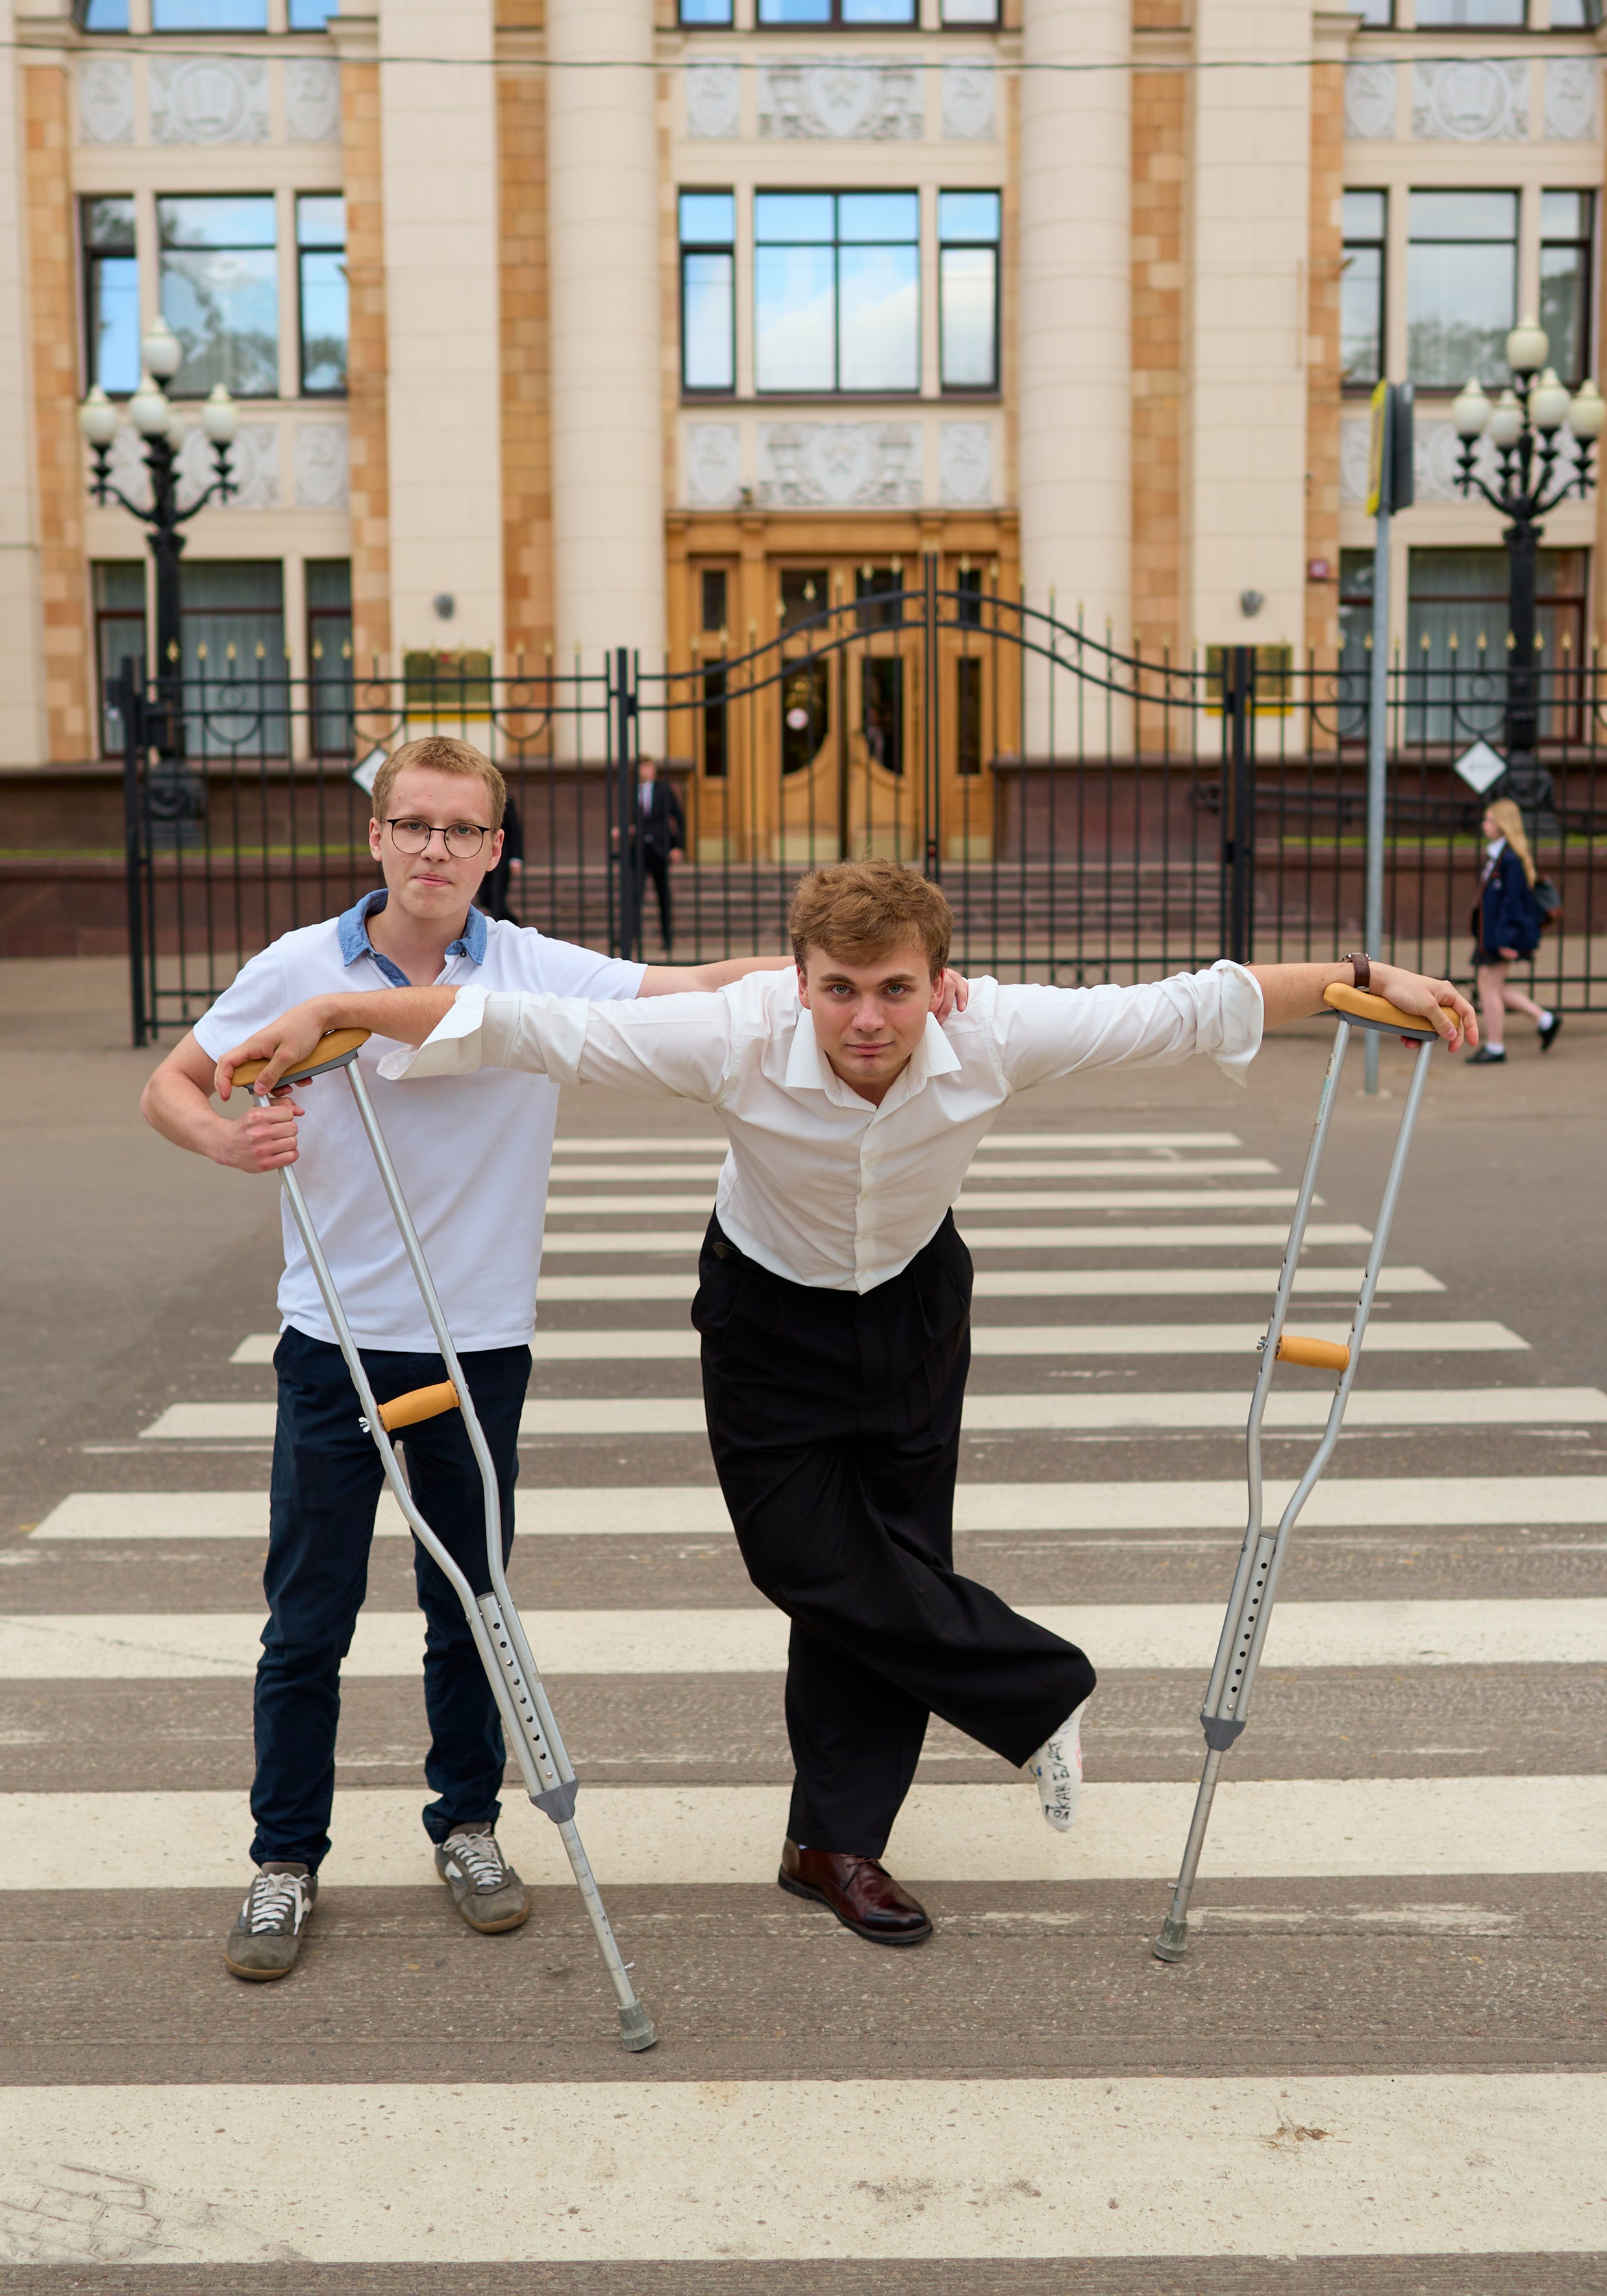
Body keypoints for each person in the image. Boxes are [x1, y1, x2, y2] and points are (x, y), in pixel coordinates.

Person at [216, 864, 1476, 1952]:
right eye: (838, 988)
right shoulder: (733, 1033)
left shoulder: (995, 1034)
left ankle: (834, 1846)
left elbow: (1192, 1006)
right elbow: (512, 1026)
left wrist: (1377, 978)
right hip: (768, 1320)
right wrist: (338, 1005)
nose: (865, 1020)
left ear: (939, 983)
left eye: (892, 989)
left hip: (913, 1308)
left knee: (885, 1573)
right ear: (799, 979)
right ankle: (1038, 1688)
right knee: (802, 1556)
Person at [142, 732, 785, 1982]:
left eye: (463, 831)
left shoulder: (533, 970)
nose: (437, 849)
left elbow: (699, 988)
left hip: (478, 1341)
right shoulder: (297, 965)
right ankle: (285, 1858)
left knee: (472, 1606)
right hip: (333, 1342)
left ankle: (470, 1826)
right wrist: (223, 1144)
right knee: (306, 1619)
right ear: (376, 837)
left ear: (496, 852)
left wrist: (854, 971)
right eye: (415, 825)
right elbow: (176, 1081)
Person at [1467, 796, 1560, 1063]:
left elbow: (1514, 904)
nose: (1485, 825)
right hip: (1492, 936)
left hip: (1500, 937)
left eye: (1491, 821)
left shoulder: (1509, 860)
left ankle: (1496, 1046)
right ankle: (1545, 1019)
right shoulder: (1497, 856)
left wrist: (1507, 940)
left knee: (1489, 987)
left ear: (1505, 825)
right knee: (1492, 987)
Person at [630, 754, 685, 953]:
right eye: (646, 767)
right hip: (638, 851)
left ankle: (667, 938)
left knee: (663, 896)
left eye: (651, 767)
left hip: (660, 850)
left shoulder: (664, 790)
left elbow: (678, 818)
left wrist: (678, 846)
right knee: (635, 895)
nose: (650, 771)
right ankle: (632, 937)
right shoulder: (631, 791)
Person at [475, 795, 525, 925]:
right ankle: (511, 920)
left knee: (498, 892)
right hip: (480, 853)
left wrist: (516, 859)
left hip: (503, 855)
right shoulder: (476, 799)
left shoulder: (506, 800)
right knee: (484, 895)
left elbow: (514, 830)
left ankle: (497, 923)